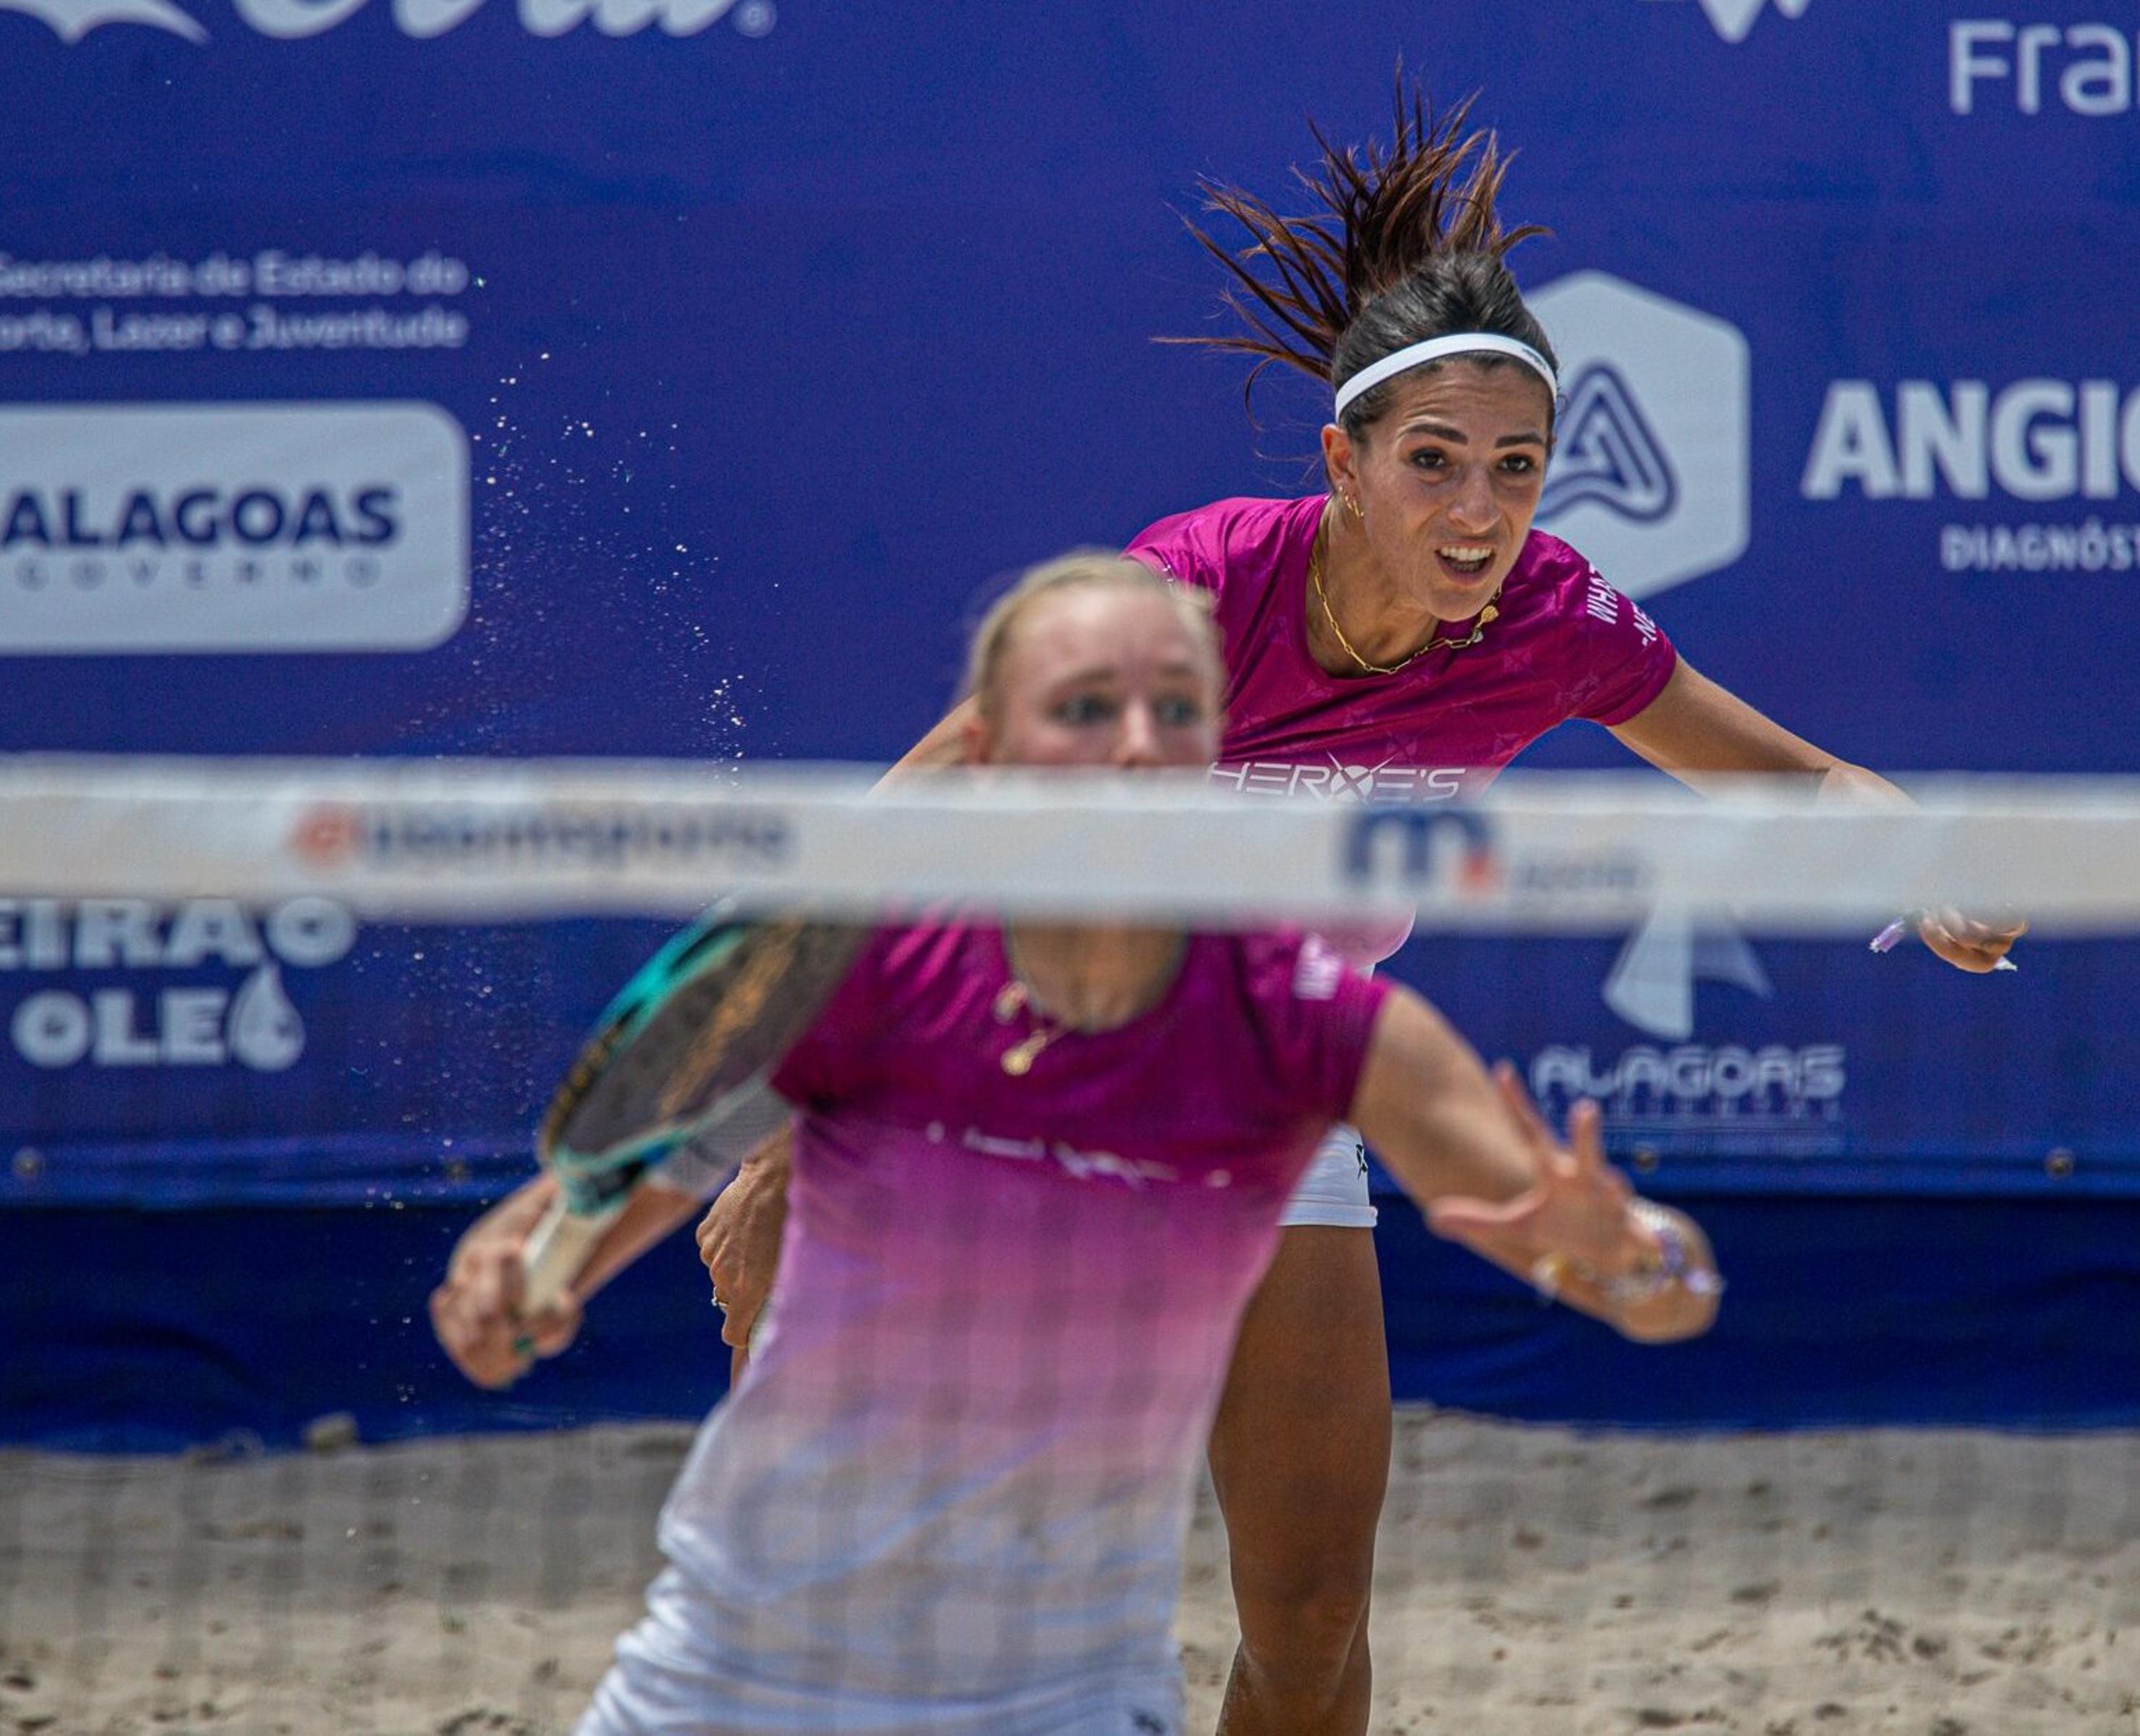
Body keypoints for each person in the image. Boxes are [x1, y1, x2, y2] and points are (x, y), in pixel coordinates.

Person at [698, 90, 2021, 1735]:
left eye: (1518, 470)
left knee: (1313, 1615)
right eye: (1436, 465)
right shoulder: (1193, 588)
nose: (1480, 512)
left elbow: (1803, 780)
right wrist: (779, 1146)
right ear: (1345, 461)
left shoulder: (1548, 619)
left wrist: (1921, 859)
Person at [430, 553, 1721, 1736]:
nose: (1139, 749)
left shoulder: (1312, 1027)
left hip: (1068, 1702)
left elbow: (1652, 1292)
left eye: (1176, 710)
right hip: (735, 1678)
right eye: (1087, 710)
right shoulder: (865, 974)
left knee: (1313, 1609)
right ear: (988, 754)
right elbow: (596, 1192)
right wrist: (516, 1272)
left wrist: (1645, 1258)